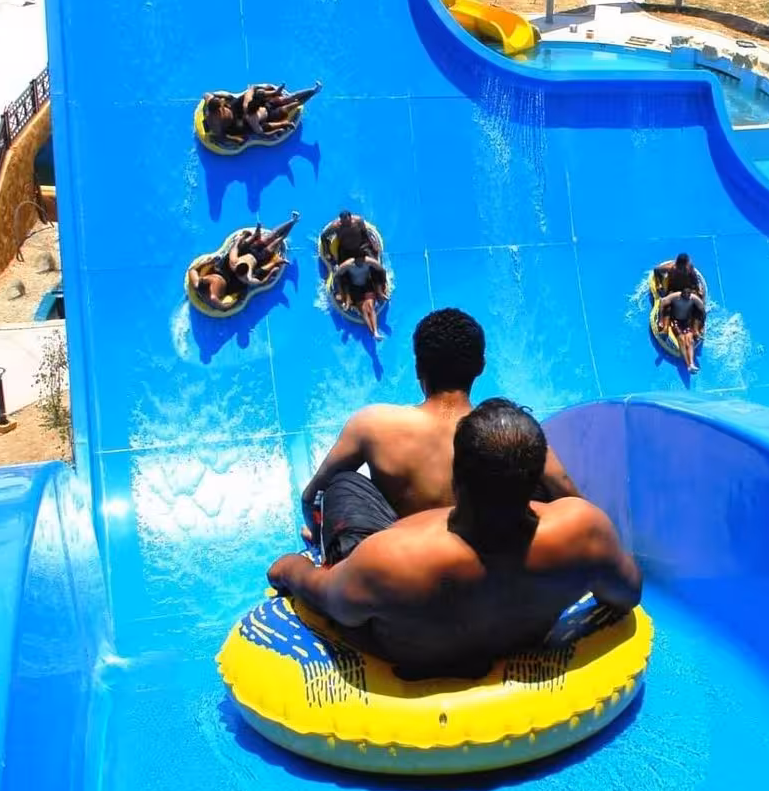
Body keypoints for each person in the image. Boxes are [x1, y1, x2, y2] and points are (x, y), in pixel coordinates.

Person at [269, 400, 641, 679]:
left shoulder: (387, 559)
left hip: (411, 630)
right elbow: (627, 594)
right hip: (519, 628)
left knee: (344, 485)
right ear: (534, 480)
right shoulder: (585, 532)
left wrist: (289, 569)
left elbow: (328, 600)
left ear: (455, 478)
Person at [300, 308, 581, 561]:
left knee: (340, 485)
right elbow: (571, 497)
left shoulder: (372, 425)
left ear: (418, 369)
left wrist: (319, 531)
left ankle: (329, 560)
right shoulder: (508, 431)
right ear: (481, 367)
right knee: (528, 471)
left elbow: (310, 496)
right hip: (487, 561)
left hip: (405, 564)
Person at [332, 248, 389, 340]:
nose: (361, 262)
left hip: (367, 285)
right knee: (363, 309)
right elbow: (337, 275)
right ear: (354, 259)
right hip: (355, 288)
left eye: (362, 259)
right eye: (358, 260)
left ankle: (376, 332)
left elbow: (381, 270)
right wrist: (340, 292)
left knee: (370, 307)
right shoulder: (348, 264)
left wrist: (383, 285)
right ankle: (373, 332)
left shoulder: (368, 261)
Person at [231, 211, 299, 286]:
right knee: (278, 240)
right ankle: (293, 222)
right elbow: (262, 282)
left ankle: (291, 220)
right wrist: (271, 272)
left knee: (272, 234)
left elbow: (235, 247)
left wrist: (240, 239)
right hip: (260, 258)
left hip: (251, 250)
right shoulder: (248, 278)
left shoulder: (233, 261)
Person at [242, 81, 322, 137]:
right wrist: (277, 129)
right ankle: (314, 92)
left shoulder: (247, 104)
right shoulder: (253, 121)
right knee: (295, 104)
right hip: (271, 116)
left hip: (268, 105)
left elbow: (252, 90)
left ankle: (314, 89)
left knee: (290, 97)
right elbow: (262, 133)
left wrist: (257, 89)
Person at [659, 286, 705, 373]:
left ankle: (691, 364)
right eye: (685, 296)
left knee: (690, 340)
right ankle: (688, 365)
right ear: (681, 295)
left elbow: (702, 310)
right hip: (675, 321)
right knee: (682, 340)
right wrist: (661, 320)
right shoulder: (675, 296)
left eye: (688, 296)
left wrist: (701, 326)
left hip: (687, 321)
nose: (687, 298)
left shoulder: (693, 298)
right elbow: (662, 303)